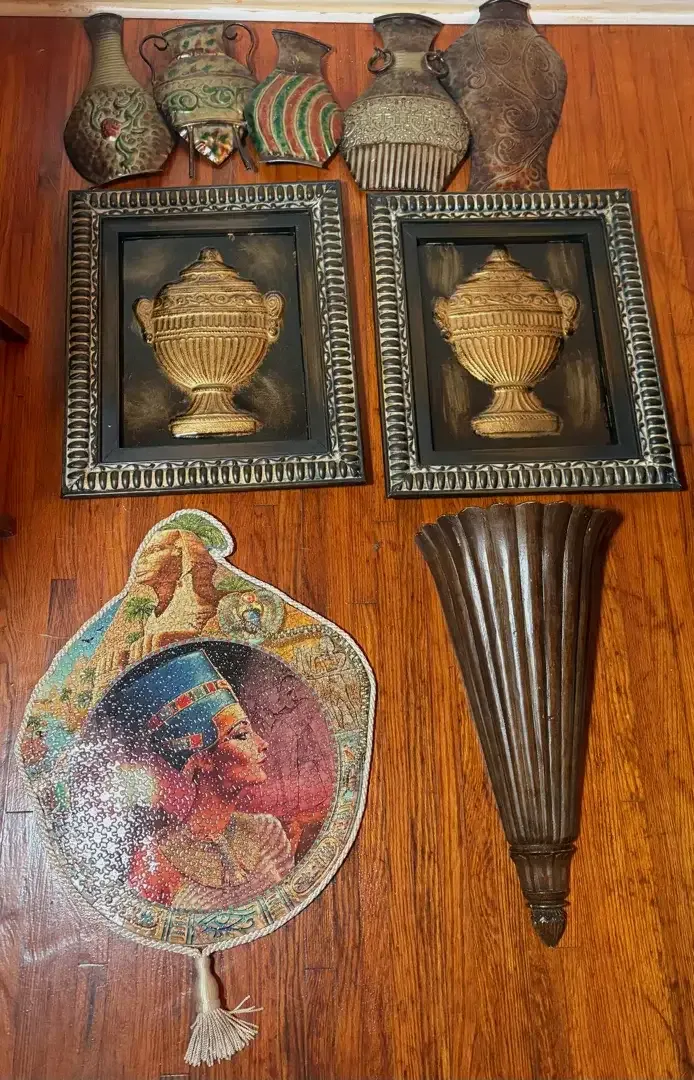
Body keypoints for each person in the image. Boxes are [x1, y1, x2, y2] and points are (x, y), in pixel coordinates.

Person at [119, 648, 293, 910]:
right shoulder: (155, 861)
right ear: (202, 759)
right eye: (241, 735)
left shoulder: (268, 830)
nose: (262, 743)